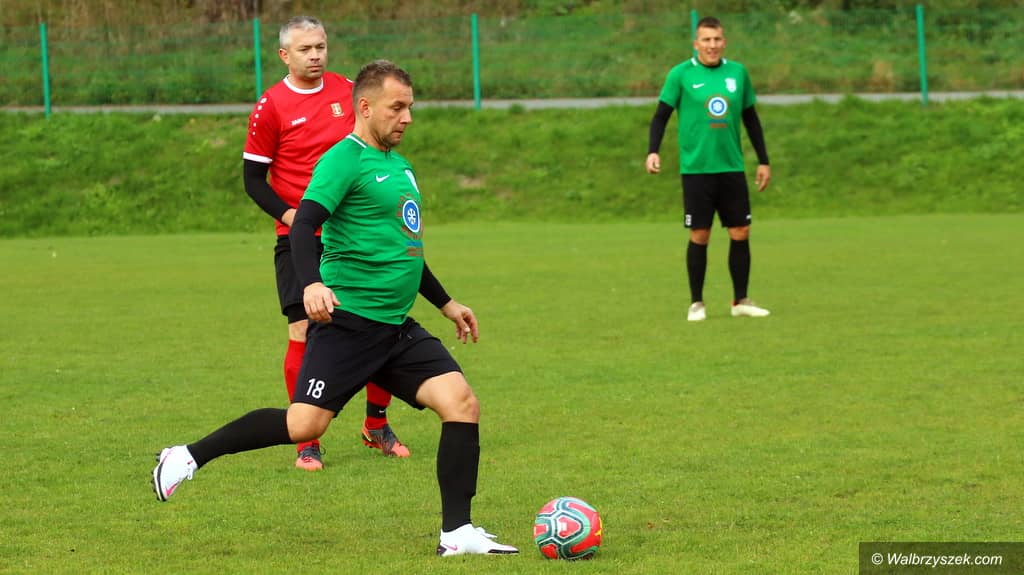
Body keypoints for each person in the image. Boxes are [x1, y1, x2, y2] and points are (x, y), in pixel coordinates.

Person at [154, 59, 519, 557]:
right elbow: (304, 225)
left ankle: (457, 534)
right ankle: (187, 456)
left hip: (395, 328)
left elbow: (405, 251)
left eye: (410, 107)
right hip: (349, 325)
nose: (407, 117)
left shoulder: (400, 166)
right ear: (365, 107)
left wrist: (447, 302)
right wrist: (311, 284)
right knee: (304, 425)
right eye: (397, 107)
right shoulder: (343, 160)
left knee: (461, 404)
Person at [242, 16, 409, 470]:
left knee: (378, 325)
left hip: (354, 236)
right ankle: (306, 441)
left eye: (320, 46)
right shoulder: (271, 107)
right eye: (305, 49)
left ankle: (376, 424)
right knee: (301, 329)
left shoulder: (349, 92)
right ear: (285, 55)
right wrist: (293, 217)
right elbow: (253, 180)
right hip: (300, 237)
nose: (315, 55)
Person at [645, 16, 772, 322]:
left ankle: (740, 300)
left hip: (731, 167)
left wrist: (763, 160)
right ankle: (697, 303)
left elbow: (751, 119)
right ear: (696, 43)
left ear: (724, 42)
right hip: (697, 170)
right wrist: (652, 151)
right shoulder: (681, 74)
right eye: (706, 40)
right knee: (700, 234)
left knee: (740, 231)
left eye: (717, 40)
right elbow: (661, 116)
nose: (712, 45)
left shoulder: (737, 73)